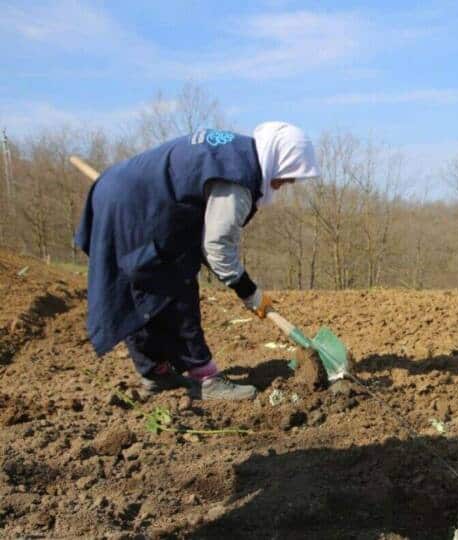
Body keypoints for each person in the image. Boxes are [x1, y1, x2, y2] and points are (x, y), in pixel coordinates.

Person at [74, 123, 320, 400]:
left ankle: (155, 372)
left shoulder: (237, 154)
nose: (288, 183)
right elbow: (216, 246)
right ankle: (205, 379)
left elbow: (206, 239)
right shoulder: (237, 180)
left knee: (144, 286)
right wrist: (248, 291)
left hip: (118, 191)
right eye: (289, 175)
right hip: (133, 207)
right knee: (173, 284)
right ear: (279, 159)